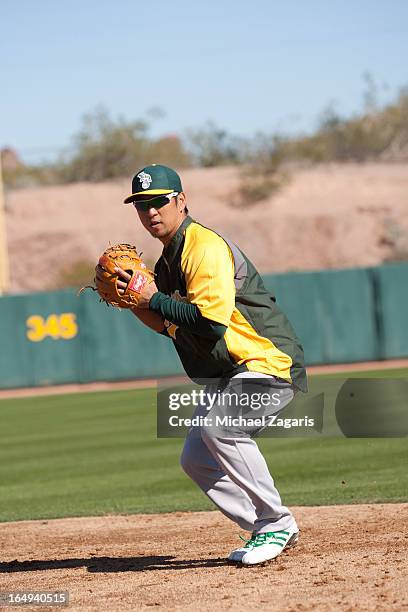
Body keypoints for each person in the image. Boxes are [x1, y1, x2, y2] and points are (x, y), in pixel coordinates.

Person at [118, 164, 307, 565]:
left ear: (181, 200)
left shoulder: (201, 246)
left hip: (266, 361)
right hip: (230, 372)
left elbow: (209, 321)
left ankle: (276, 522)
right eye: (141, 205)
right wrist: (136, 303)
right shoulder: (169, 259)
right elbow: (175, 326)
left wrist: (151, 298)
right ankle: (264, 528)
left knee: (220, 426)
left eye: (158, 201)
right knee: (197, 458)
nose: (150, 211)